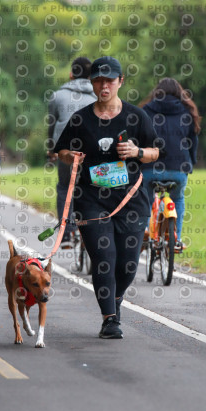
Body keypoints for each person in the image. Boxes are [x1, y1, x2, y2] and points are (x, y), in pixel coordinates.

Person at [54, 56, 159, 339]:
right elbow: (60, 150)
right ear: (92, 83)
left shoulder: (137, 117)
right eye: (98, 80)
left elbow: (155, 152)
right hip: (91, 199)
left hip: (131, 201)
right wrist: (70, 155)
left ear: (120, 82)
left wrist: (137, 152)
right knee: (104, 258)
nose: (104, 86)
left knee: (126, 264)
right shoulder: (81, 118)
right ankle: (109, 319)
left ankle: (116, 298)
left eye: (109, 80)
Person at [140, 77, 201, 246]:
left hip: (149, 167)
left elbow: (139, 139)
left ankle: (144, 232)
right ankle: (177, 239)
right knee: (178, 198)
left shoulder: (146, 110)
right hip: (178, 169)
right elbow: (192, 142)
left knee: (145, 197)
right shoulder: (188, 112)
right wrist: (191, 162)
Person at [47, 57, 96, 248]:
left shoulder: (58, 96)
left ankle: (66, 234)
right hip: (91, 152)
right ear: (91, 76)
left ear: (71, 74)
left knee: (64, 188)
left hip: (66, 151)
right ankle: (91, 231)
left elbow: (52, 124)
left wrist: (51, 148)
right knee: (92, 189)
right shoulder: (97, 96)